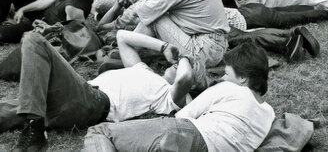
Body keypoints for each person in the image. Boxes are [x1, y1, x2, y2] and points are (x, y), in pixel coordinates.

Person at [0, 30, 208, 152]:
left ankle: (35, 129)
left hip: (90, 102)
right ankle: (34, 122)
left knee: (34, 40)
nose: (175, 64)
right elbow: (122, 36)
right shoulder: (142, 69)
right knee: (9, 109)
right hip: (61, 100)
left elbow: (185, 78)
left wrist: (185, 57)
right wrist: (163, 47)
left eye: (184, 64)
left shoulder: (169, 96)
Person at [84, 42, 276, 152]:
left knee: (100, 132)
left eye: (227, 73)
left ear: (243, 78)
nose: (223, 77)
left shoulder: (231, 89)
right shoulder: (269, 114)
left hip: (188, 134)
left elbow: (183, 116)